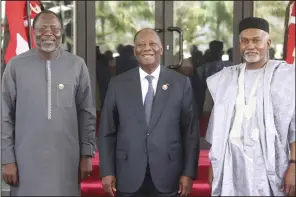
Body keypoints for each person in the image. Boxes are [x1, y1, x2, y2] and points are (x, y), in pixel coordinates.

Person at [1, 10, 96, 196]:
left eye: (54, 28)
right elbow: (4, 115)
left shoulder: (77, 65)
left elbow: (86, 114)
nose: (48, 33)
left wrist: (86, 154)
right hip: (24, 162)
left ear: (62, 32)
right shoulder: (15, 66)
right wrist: (6, 159)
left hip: (67, 162)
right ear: (33, 32)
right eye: (42, 28)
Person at [98, 28, 200, 197]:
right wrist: (107, 171)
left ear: (161, 48)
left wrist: (188, 173)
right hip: (128, 173)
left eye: (152, 44)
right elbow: (107, 132)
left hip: (168, 174)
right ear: (134, 50)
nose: (147, 48)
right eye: (141, 44)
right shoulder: (118, 84)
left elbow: (190, 133)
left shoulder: (180, 83)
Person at [206, 17, 295, 196]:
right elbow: (217, 127)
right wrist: (213, 163)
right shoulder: (226, 78)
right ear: (239, 44)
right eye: (245, 41)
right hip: (232, 163)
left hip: (270, 164)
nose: (250, 46)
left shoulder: (285, 77)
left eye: (256, 40)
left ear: (268, 42)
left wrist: (293, 166)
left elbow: (294, 127)